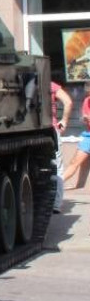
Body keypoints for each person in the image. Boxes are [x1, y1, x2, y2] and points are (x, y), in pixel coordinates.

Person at [62, 81, 90, 190]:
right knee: (76, 161)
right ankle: (60, 183)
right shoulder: (87, 101)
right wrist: (84, 118)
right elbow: (83, 118)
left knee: (84, 162)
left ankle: (79, 185)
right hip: (88, 135)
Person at [51, 81, 73, 211]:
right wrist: (64, 121)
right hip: (51, 130)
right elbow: (68, 102)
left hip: (32, 132)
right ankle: (56, 204)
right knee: (57, 167)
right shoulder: (49, 84)